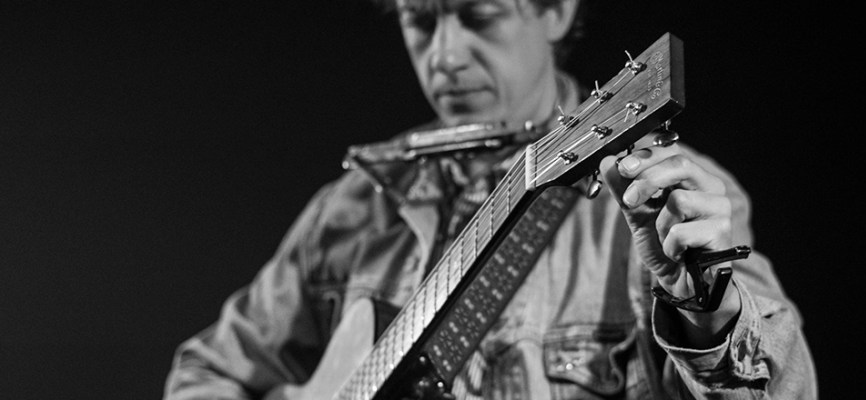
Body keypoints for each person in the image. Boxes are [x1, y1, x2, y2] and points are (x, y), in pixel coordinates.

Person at [165, 0, 817, 398]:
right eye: (420, 20)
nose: (445, 56)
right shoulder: (351, 210)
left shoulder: (662, 198)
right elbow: (203, 375)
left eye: (479, 16)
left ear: (556, 9)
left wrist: (703, 308)